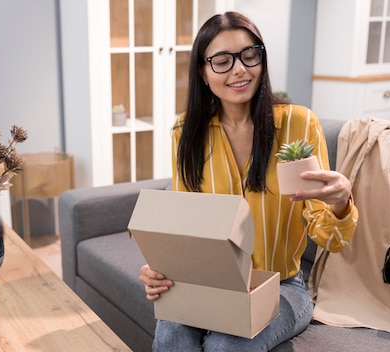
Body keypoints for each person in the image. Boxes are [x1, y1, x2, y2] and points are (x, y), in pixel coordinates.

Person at [138, 11, 359, 352]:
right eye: (222, 61)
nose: (240, 69)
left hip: (282, 286)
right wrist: (158, 269)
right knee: (171, 339)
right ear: (203, 70)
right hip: (209, 285)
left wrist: (341, 204)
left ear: (261, 58)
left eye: (249, 55)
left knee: (225, 346)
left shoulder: (298, 124)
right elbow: (184, 228)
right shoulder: (186, 132)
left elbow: (329, 239)